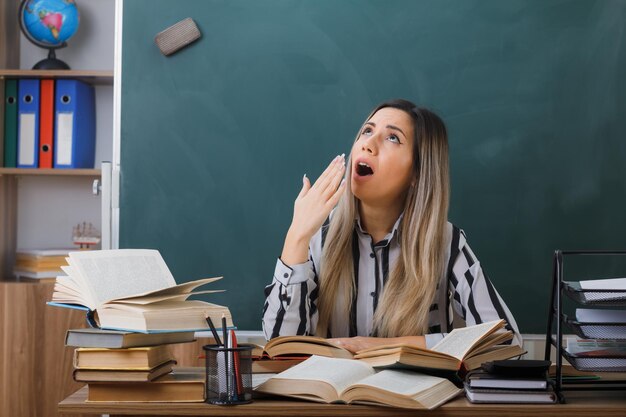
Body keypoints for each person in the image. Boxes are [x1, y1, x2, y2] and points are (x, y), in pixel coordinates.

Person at [262, 99, 521, 352]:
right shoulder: (319, 235)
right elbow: (280, 346)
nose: (368, 145)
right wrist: (296, 237)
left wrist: (385, 347)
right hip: (336, 395)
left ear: (417, 174)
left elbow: (505, 340)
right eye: (367, 131)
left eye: (393, 138)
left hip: (417, 394)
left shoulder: (444, 242)